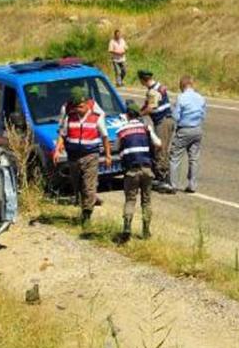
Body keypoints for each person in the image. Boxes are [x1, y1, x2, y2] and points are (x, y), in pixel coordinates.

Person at [52, 86, 111, 227]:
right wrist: (57, 149)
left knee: (88, 186)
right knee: (77, 184)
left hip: (91, 155)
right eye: (76, 106)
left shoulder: (96, 115)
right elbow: (62, 134)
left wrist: (108, 155)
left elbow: (105, 137)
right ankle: (83, 203)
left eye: (80, 106)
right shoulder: (68, 115)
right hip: (73, 156)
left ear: (86, 104)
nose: (78, 108)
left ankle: (87, 215)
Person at [116, 102, 162, 241]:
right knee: (146, 201)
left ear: (127, 115)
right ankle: (146, 231)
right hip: (147, 169)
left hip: (131, 170)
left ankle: (127, 227)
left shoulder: (122, 130)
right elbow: (158, 143)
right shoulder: (145, 128)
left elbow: (118, 148)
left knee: (130, 200)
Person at [138, 70, 175, 193]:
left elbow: (150, 107)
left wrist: (138, 114)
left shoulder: (153, 91)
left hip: (162, 122)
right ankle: (164, 178)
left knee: (160, 150)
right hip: (166, 121)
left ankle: (164, 180)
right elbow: (147, 104)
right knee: (160, 149)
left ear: (143, 79)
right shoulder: (159, 86)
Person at [169, 75, 207, 193]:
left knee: (175, 157)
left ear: (182, 85)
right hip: (197, 129)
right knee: (194, 158)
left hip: (184, 129)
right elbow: (204, 115)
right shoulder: (201, 98)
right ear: (192, 84)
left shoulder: (181, 98)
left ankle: (173, 185)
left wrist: (173, 109)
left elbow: (176, 116)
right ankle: (192, 185)